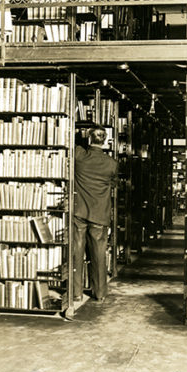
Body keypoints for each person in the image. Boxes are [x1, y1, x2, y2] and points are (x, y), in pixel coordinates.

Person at [72, 126, 118, 303]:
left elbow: (74, 144)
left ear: (89, 139)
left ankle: (75, 293)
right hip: (100, 213)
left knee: (77, 252)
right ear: (105, 141)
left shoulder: (79, 155)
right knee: (99, 255)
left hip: (79, 212)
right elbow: (113, 184)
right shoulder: (111, 163)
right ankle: (99, 293)